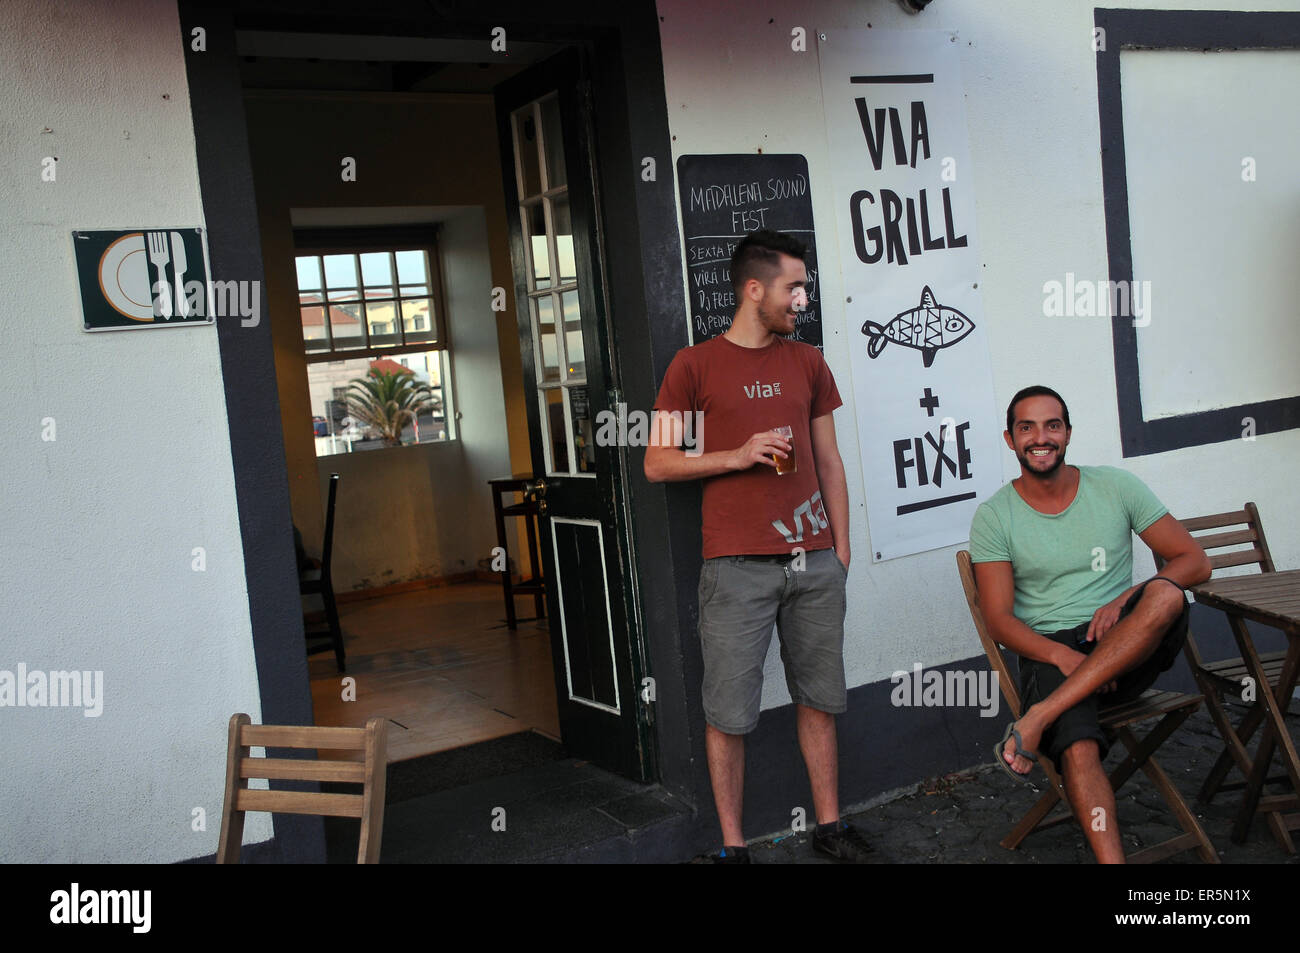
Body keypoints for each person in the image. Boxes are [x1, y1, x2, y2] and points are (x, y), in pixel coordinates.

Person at [645, 229, 871, 863]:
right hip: (735, 568)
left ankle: (829, 827)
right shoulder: (691, 367)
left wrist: (841, 551)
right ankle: (733, 847)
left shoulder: (809, 363)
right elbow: (657, 463)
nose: (802, 298)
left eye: (804, 287)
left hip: (815, 562)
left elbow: (830, 462)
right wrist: (737, 455)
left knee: (820, 698)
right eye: (792, 287)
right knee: (729, 714)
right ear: (753, 289)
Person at [968, 385, 1211, 863]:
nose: (1041, 437)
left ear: (1068, 433)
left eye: (1052, 425)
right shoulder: (995, 517)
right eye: (1027, 427)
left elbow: (1195, 561)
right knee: (1079, 748)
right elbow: (998, 620)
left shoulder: (1116, 486)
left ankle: (1035, 718)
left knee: (1165, 594)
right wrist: (1062, 655)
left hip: (1130, 645)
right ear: (1010, 439)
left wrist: (1123, 599)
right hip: (1053, 650)